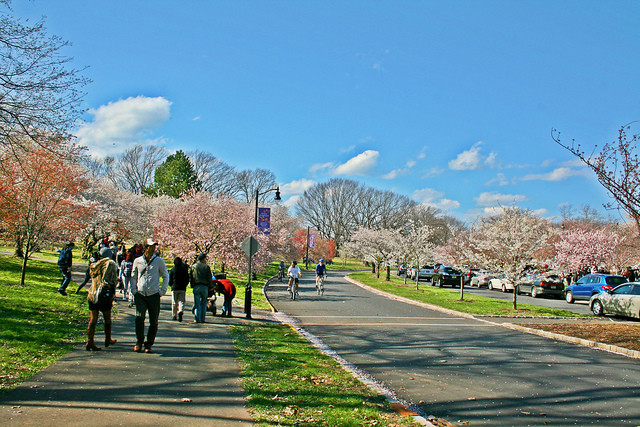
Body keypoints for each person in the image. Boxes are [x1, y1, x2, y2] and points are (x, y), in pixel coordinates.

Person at [130, 238, 169, 353]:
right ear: (145, 248)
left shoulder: (159, 261)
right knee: (139, 318)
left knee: (153, 321)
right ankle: (139, 341)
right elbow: (133, 276)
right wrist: (133, 290)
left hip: (154, 295)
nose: (153, 249)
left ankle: (149, 344)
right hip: (141, 294)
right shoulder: (137, 261)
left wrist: (162, 291)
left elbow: (166, 276)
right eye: (150, 246)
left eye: (154, 246)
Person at [85, 256, 119, 351]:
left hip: (93, 293)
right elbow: (110, 280)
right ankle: (108, 339)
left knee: (93, 318)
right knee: (107, 318)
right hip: (103, 295)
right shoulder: (110, 264)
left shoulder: (95, 265)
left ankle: (90, 341)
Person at [190, 253, 214, 323]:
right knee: (204, 303)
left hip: (196, 286)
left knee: (197, 303)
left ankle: (197, 318)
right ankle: (203, 318)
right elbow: (209, 278)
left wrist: (192, 285)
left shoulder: (193, 266)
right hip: (204, 286)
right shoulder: (206, 267)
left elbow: (191, 277)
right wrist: (210, 286)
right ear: (203, 259)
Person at [170, 257, 189, 322]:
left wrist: (171, 285)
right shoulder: (184, 270)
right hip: (182, 288)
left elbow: (170, 280)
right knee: (181, 301)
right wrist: (185, 285)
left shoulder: (173, 270)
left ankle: (174, 315)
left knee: (174, 302)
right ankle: (180, 311)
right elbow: (187, 279)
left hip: (174, 287)